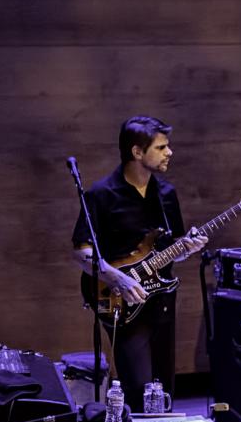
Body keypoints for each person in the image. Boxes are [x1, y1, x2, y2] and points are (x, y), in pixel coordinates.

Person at [71, 115, 207, 395]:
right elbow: (82, 252)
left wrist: (187, 248)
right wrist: (117, 278)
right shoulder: (101, 194)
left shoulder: (166, 193)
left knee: (163, 389)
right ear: (137, 152)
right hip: (122, 303)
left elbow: (171, 249)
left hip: (162, 299)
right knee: (138, 388)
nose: (169, 152)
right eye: (160, 147)